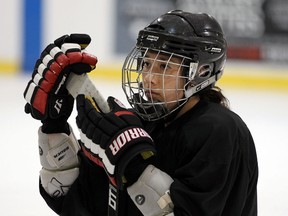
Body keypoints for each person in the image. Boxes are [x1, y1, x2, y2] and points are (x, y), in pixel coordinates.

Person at [23, 10, 258, 216]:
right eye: (146, 63)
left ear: (202, 72)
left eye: (164, 66)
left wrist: (134, 167)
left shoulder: (219, 131)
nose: (149, 77)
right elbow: (75, 202)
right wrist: (54, 128)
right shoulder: (143, 122)